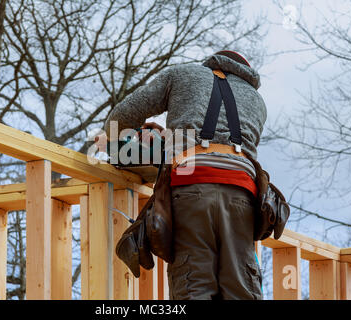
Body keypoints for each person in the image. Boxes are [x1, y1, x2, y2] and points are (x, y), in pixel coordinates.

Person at [102, 50, 266, 300]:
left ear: (213, 62)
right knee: (240, 289)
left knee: (193, 286)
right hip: (243, 195)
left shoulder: (182, 74)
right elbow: (225, 147)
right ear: (246, 71)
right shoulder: (256, 100)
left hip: (191, 188)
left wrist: (134, 140)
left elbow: (120, 117)